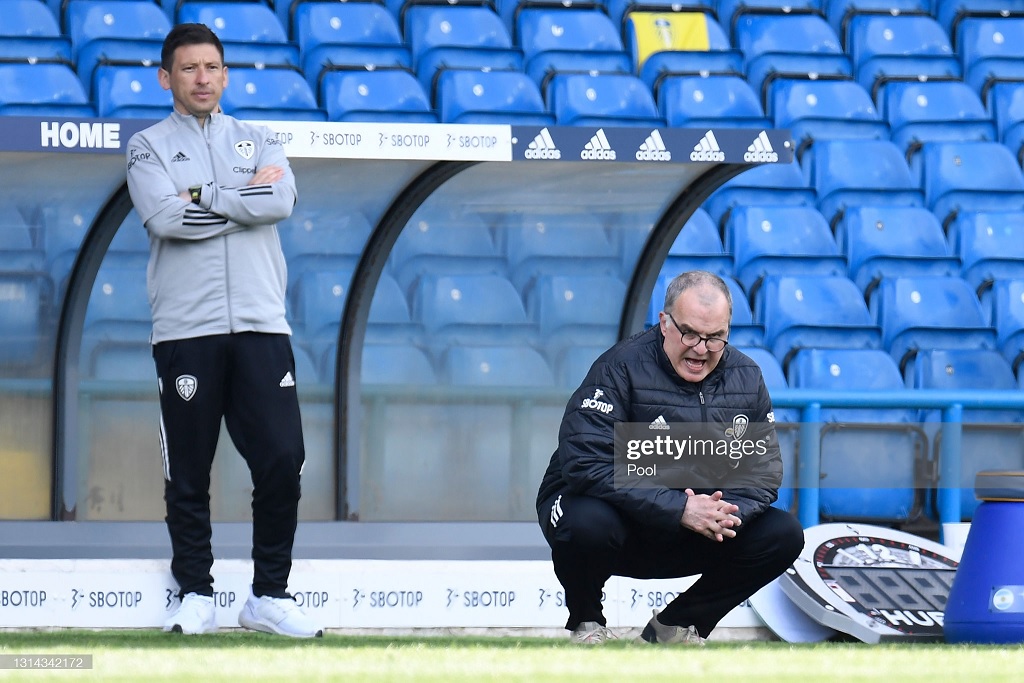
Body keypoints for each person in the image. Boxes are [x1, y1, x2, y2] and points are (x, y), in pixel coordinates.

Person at [125, 23, 321, 638]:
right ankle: (196, 592)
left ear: (226, 75)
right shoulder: (147, 146)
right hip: (187, 329)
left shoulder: (259, 138)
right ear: (166, 78)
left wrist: (208, 191)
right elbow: (165, 219)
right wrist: (243, 202)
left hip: (263, 324)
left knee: (284, 457)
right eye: (188, 69)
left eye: (212, 67)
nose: (202, 78)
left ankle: (269, 596)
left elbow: (281, 203)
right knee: (189, 467)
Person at [536, 270, 804, 644]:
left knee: (783, 534)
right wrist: (678, 508)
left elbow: (762, 473)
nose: (701, 348)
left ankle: (676, 626)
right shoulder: (618, 366)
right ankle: (587, 623)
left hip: (690, 527)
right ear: (664, 323)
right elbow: (585, 462)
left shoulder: (747, 376)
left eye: (716, 338)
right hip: (617, 523)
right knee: (587, 523)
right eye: (690, 333)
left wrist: (722, 514)